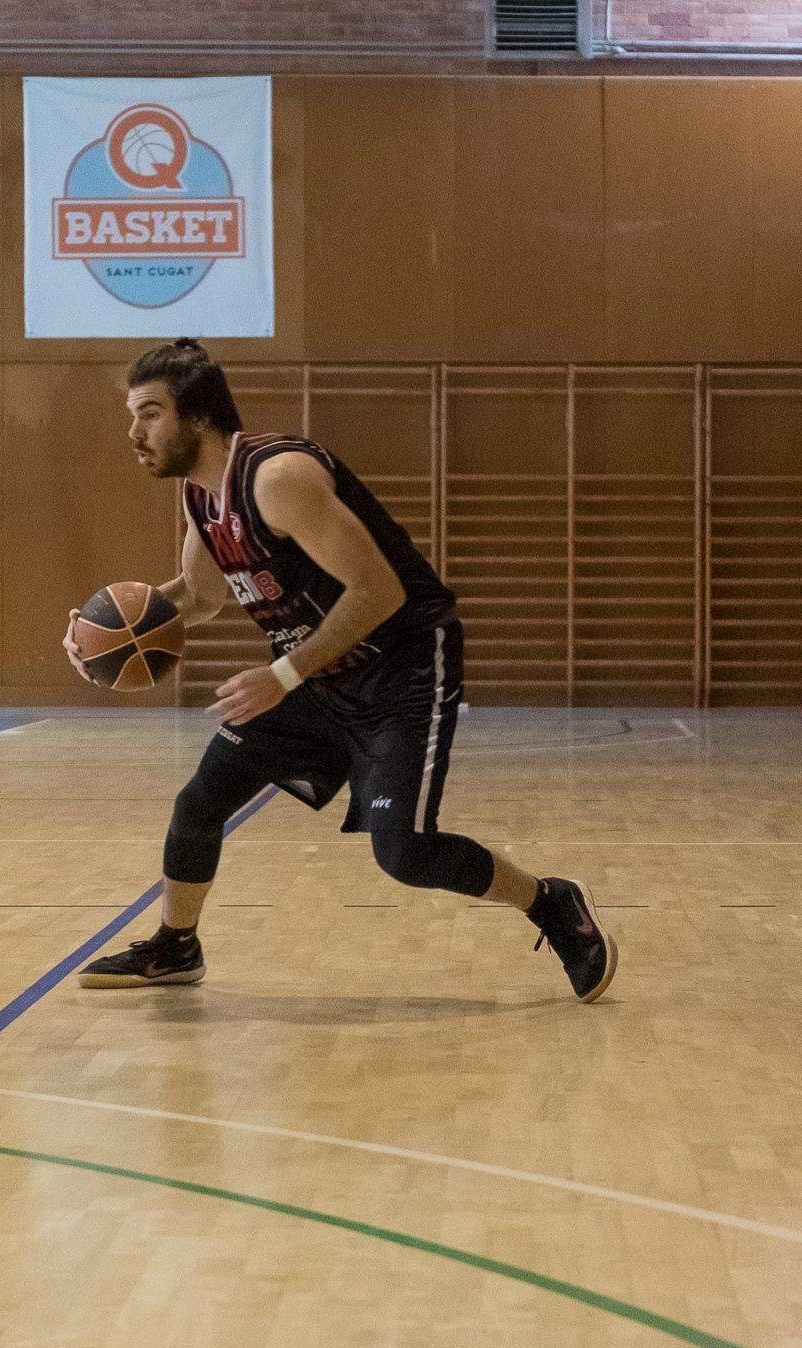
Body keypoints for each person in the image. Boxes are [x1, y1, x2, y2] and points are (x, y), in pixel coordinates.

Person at [67, 339, 615, 1001]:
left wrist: (284, 675)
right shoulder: (200, 497)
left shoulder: (278, 479)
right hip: (315, 677)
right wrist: (108, 633)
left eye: (149, 413)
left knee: (404, 852)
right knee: (200, 800)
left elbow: (378, 592)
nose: (135, 431)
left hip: (402, 666)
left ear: (197, 417)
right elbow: (201, 592)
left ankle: (553, 902)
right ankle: (175, 945)